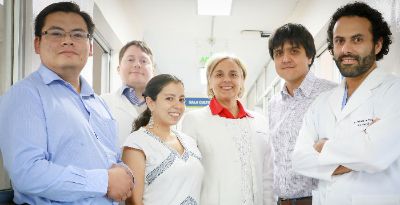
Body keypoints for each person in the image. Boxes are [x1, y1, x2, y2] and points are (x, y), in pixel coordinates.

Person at [0, 2, 134, 204]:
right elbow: (27, 173)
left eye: (78, 34)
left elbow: (111, 158)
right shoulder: (24, 95)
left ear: (90, 47)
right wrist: (104, 181)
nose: (67, 41)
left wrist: (125, 172)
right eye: (56, 33)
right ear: (37, 43)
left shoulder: (99, 103)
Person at [292, 2, 400, 205]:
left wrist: (323, 147)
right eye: (339, 41)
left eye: (357, 39)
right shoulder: (321, 103)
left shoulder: (395, 92)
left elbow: (374, 155)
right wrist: (358, 151)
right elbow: (299, 160)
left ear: (377, 44)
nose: (345, 49)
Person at [182, 53, 275, 205]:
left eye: (233, 74)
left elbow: (267, 175)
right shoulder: (194, 121)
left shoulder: (260, 122)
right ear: (209, 82)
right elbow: (187, 176)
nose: (227, 79)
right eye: (219, 74)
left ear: (242, 81)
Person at [267, 23, 336, 205]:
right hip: (280, 201)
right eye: (278, 53)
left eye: (294, 51)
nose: (285, 59)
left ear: (310, 56)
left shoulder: (331, 93)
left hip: (319, 199)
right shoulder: (274, 103)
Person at [122, 74, 203, 205]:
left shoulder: (189, 142)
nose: (178, 105)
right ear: (150, 102)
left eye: (181, 99)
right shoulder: (136, 143)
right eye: (169, 98)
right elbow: (133, 202)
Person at [102, 40, 154, 146]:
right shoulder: (102, 102)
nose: (137, 65)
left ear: (153, 71)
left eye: (143, 61)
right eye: (130, 60)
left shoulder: (164, 105)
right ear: (118, 69)